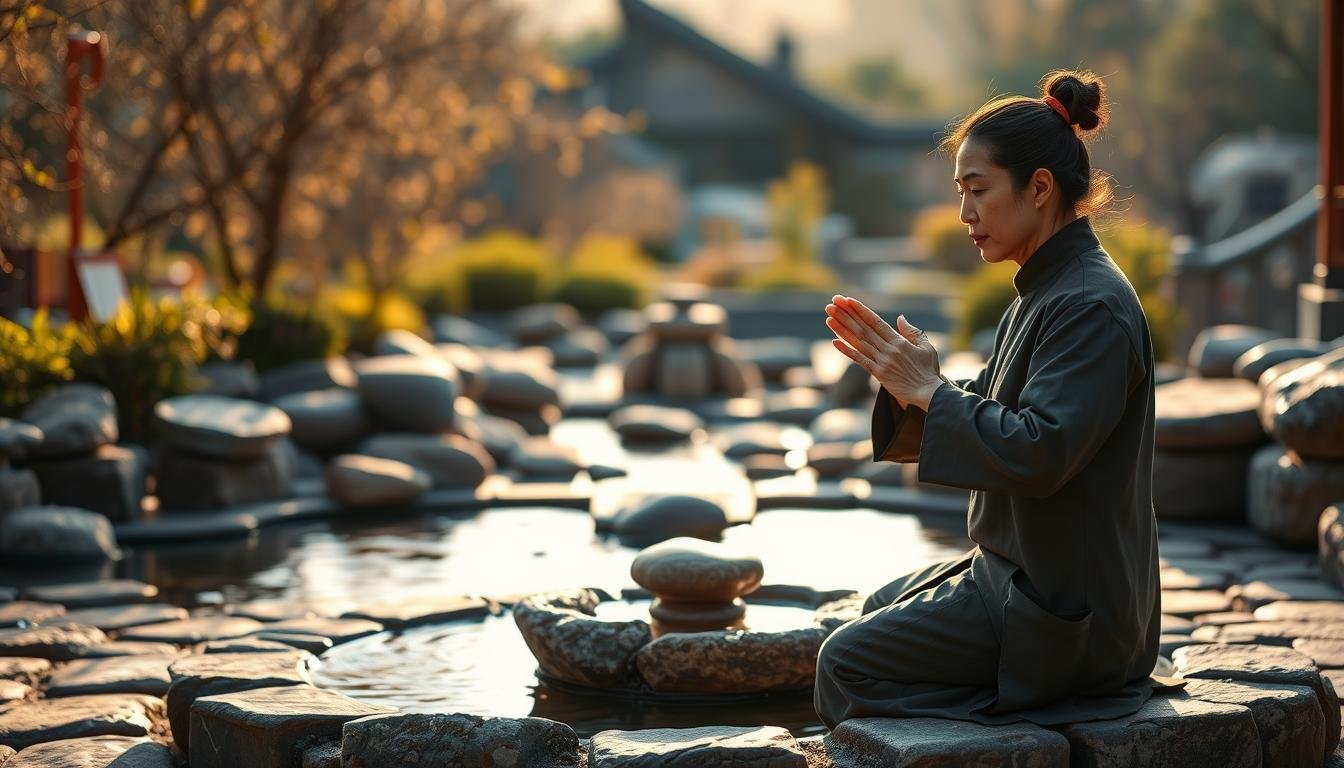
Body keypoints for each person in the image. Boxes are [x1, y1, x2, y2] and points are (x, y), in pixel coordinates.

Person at [814, 69, 1166, 728]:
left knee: (845, 662)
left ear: (1039, 188)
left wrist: (930, 392)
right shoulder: (1049, 287)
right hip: (1016, 577)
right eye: (960, 192)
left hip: (1066, 612)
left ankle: (1011, 726)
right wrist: (918, 386)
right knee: (868, 611)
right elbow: (1002, 408)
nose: (965, 213)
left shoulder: (1089, 305)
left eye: (978, 190)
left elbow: (1040, 452)